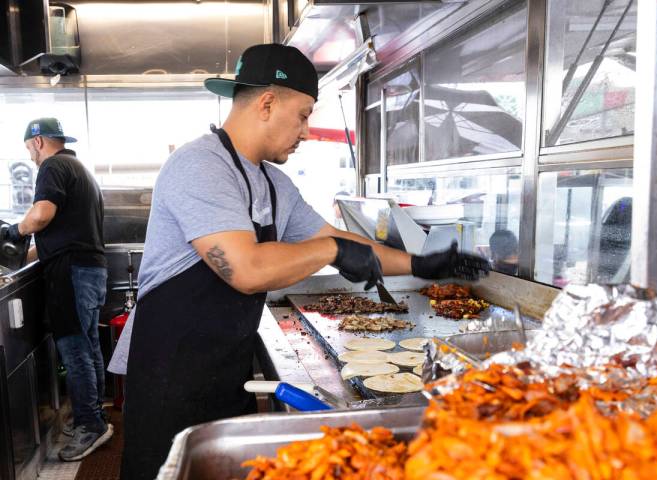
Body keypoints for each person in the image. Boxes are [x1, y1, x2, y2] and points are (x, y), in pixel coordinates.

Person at [118, 44, 490, 479]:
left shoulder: (274, 183)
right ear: (268, 103)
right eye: (304, 114)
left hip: (225, 371)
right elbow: (246, 269)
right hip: (170, 378)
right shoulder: (200, 165)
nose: (307, 131)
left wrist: (420, 264)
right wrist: (331, 254)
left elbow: (337, 238)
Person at [2, 118, 112, 461]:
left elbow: (40, 216)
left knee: (75, 350)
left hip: (72, 274)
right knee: (89, 346)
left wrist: (12, 233)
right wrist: (21, 254)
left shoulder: (52, 166)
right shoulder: (77, 168)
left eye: (28, 150)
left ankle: (90, 426)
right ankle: (95, 418)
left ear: (37, 142)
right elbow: (59, 234)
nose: (31, 157)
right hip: (89, 269)